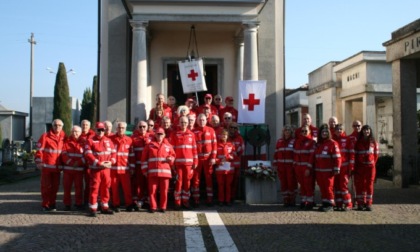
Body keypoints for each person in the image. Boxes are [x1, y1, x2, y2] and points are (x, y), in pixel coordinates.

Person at [84, 122, 116, 217]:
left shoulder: (109, 141)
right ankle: (93, 208)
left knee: (106, 188)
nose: (101, 132)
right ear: (95, 130)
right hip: (96, 169)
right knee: (94, 188)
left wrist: (111, 162)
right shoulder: (90, 141)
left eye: (102, 130)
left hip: (106, 169)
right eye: (99, 130)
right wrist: (98, 163)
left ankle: (105, 207)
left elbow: (114, 153)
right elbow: (88, 154)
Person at [141, 127, 176, 213]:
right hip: (152, 173)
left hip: (165, 173)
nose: (159, 135)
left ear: (164, 135)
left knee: (164, 191)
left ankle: (163, 207)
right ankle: (153, 207)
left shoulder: (168, 146)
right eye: (158, 134)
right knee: (152, 191)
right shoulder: (149, 146)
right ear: (155, 135)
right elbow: (144, 159)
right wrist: (145, 171)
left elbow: (173, 156)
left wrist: (170, 159)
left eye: (161, 134)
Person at [35, 119, 66, 212]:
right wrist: (39, 162)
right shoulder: (45, 136)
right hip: (47, 167)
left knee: (55, 187)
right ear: (52, 126)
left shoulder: (64, 137)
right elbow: (39, 150)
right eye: (55, 125)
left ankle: (52, 203)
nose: (57, 127)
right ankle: (45, 204)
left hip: (57, 168)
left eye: (60, 125)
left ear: (62, 127)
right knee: (46, 187)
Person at [169, 115, 198, 210]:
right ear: (179, 123)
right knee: (178, 183)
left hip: (189, 164)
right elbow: (171, 150)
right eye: (182, 122)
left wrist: (195, 161)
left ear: (188, 123)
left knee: (187, 183)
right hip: (178, 164)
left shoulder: (191, 134)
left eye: (185, 122)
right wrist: (172, 164)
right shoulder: (174, 134)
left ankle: (185, 202)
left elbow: (194, 149)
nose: (184, 124)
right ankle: (177, 203)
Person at [312, 124, 341, 212]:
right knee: (322, 188)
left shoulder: (332, 143)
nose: (324, 133)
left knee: (328, 188)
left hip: (328, 171)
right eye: (322, 132)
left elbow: (337, 157)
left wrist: (337, 168)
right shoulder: (319, 144)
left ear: (328, 133)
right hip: (319, 171)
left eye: (325, 132)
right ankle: (325, 203)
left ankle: (330, 204)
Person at [191, 114, 217, 207]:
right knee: (196, 180)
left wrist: (213, 157)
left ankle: (210, 199)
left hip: (208, 159)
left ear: (206, 121)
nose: (201, 121)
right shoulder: (193, 131)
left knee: (209, 179)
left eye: (203, 120)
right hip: (197, 159)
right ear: (197, 121)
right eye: (200, 120)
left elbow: (214, 145)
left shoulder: (211, 130)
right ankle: (196, 199)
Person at [110, 121, 135, 212]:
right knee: (114, 189)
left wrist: (132, 167)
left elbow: (132, 155)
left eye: (122, 128)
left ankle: (129, 204)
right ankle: (115, 205)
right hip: (113, 169)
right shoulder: (111, 139)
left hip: (125, 169)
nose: (121, 129)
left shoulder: (129, 140)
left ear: (125, 129)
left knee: (127, 189)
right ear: (116, 129)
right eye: (119, 128)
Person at [354, 124, 379, 211]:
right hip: (360, 167)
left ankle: (368, 203)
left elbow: (376, 155)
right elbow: (356, 155)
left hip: (370, 167)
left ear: (370, 131)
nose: (366, 131)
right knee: (360, 185)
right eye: (364, 130)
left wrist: (372, 163)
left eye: (368, 130)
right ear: (362, 131)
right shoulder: (358, 142)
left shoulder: (374, 142)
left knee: (369, 185)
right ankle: (360, 203)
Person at [61, 125, 85, 211]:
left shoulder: (84, 143)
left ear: (80, 133)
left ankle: (78, 203)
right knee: (67, 188)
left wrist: (78, 163)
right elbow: (63, 155)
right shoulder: (66, 142)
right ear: (71, 132)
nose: (75, 133)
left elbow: (86, 155)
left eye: (77, 131)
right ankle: (67, 204)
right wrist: (71, 163)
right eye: (73, 131)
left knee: (79, 188)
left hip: (79, 170)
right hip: (68, 170)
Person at [273, 125, 297, 207]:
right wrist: (275, 164)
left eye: (289, 131)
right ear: (283, 132)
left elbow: (296, 154)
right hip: (281, 167)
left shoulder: (294, 141)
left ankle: (292, 199)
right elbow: (276, 154)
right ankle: (285, 200)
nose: (287, 132)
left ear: (291, 132)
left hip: (290, 167)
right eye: (285, 130)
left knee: (291, 183)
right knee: (283, 183)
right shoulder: (279, 141)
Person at [293, 125, 316, 210]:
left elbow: (311, 157)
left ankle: (310, 202)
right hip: (299, 167)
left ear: (309, 132)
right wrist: (295, 165)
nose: (304, 133)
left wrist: (308, 168)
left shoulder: (311, 142)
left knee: (308, 185)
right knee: (302, 186)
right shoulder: (298, 142)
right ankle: (303, 201)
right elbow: (295, 154)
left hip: (307, 168)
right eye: (302, 131)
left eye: (306, 131)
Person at [333, 124, 355, 211]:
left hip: (344, 167)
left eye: (340, 129)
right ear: (334, 131)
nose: (339, 131)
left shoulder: (347, 140)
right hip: (335, 168)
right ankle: (339, 203)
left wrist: (351, 167)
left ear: (343, 130)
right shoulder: (333, 140)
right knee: (337, 186)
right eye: (337, 129)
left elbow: (352, 154)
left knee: (343, 186)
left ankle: (348, 204)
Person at [131, 121, 151, 210]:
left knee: (148, 184)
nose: (142, 128)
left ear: (147, 128)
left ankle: (147, 201)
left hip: (149, 165)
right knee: (138, 184)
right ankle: (138, 201)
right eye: (140, 127)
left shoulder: (152, 137)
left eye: (144, 126)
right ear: (137, 128)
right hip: (138, 165)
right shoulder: (133, 138)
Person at [215, 129, 236, 206]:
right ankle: (221, 200)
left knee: (228, 185)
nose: (223, 136)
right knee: (220, 185)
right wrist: (219, 161)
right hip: (220, 168)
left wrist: (229, 157)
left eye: (225, 135)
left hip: (229, 168)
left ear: (227, 136)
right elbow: (214, 157)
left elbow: (234, 155)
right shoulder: (216, 145)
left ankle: (227, 200)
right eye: (222, 135)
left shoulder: (231, 145)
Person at [80, 119, 95, 205]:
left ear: (89, 126)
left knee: (89, 183)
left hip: (89, 163)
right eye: (83, 125)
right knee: (79, 185)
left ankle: (87, 200)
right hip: (78, 163)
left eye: (86, 125)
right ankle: (79, 201)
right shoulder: (77, 134)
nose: (84, 126)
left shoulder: (93, 136)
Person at [228, 122, 244, 201]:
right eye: (231, 127)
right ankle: (227, 197)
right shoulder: (226, 137)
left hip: (236, 163)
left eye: (235, 128)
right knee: (227, 182)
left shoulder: (240, 138)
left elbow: (242, 149)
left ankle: (232, 197)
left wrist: (236, 153)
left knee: (235, 181)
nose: (233, 129)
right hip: (228, 164)